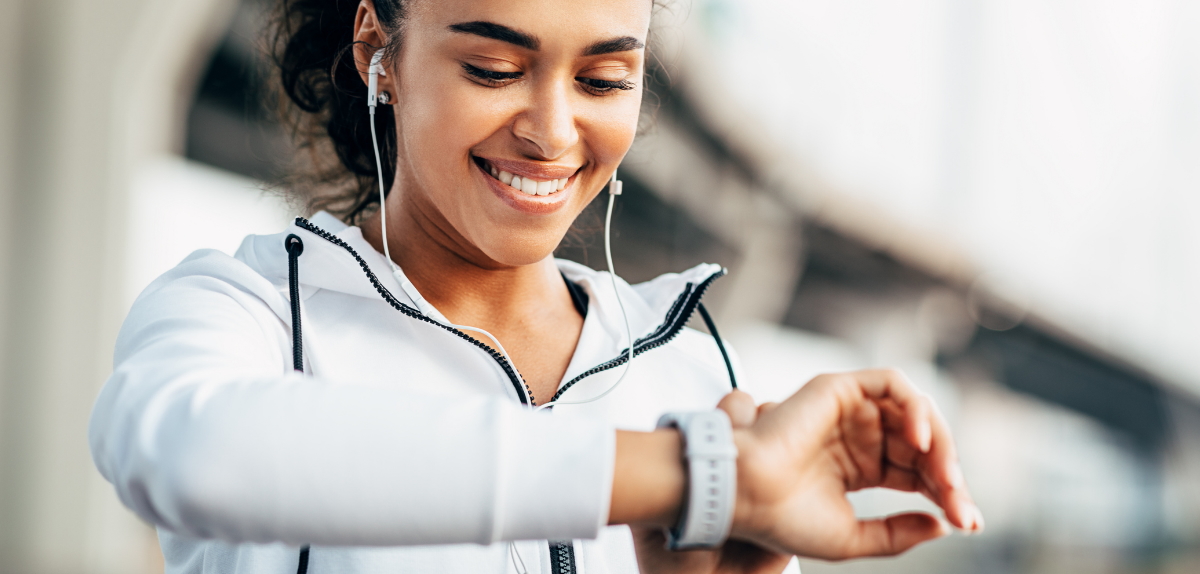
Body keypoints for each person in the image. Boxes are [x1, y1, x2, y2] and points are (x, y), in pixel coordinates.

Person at [88, 0, 983, 572]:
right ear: (379, 50)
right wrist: (690, 477)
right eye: (494, 68)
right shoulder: (244, 308)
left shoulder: (690, 354)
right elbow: (196, 456)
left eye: (604, 79)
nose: (553, 133)